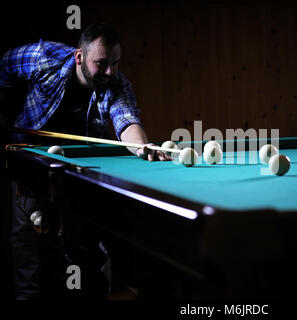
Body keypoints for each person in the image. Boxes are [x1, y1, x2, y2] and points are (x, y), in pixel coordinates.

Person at [0, 23, 170, 299]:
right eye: (101, 63)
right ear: (80, 56)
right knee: (27, 232)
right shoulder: (44, 57)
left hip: (85, 163)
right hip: (31, 154)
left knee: (93, 231)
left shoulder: (116, 84)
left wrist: (142, 147)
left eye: (115, 63)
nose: (110, 72)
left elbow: (126, 119)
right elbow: (4, 67)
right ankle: (26, 297)